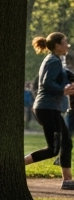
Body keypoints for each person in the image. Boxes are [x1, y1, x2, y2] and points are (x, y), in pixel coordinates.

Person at [25, 32, 74, 191]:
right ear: (57, 45)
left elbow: (66, 75)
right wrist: (63, 91)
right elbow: (46, 83)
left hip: (50, 108)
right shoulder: (53, 60)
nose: (68, 45)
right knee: (53, 149)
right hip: (46, 108)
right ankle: (15, 167)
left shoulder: (57, 60)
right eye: (65, 42)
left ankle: (67, 180)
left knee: (66, 142)